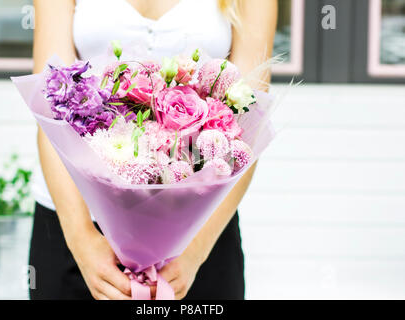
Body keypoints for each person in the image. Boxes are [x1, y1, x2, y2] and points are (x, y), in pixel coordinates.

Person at [29, 0, 277, 300]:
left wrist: (194, 252)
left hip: (200, 230)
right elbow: (49, 105)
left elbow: (249, 123)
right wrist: (82, 241)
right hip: (75, 223)